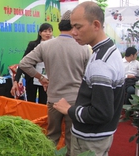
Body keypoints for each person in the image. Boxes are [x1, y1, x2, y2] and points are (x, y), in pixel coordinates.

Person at [53, 2, 125, 156]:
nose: (73, 32)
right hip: (100, 136)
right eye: (72, 27)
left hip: (90, 139)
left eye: (78, 27)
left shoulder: (101, 63)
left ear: (96, 25)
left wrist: (69, 109)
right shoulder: (108, 50)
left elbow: (101, 113)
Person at [18, 10, 90, 156]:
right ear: (74, 27)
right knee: (72, 138)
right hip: (74, 101)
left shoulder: (45, 46)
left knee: (52, 136)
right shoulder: (84, 48)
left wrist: (41, 78)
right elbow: (88, 76)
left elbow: (24, 63)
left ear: (58, 27)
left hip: (53, 99)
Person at [10, 23, 53, 104]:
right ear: (40, 33)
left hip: (46, 80)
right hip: (32, 78)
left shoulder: (54, 46)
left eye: (50, 31)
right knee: (31, 103)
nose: (48, 33)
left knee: (43, 103)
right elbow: (23, 63)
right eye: (45, 31)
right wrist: (16, 81)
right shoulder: (33, 45)